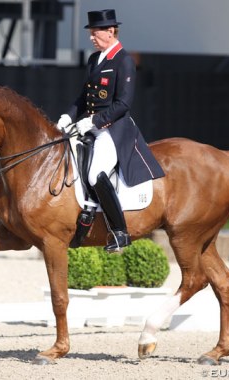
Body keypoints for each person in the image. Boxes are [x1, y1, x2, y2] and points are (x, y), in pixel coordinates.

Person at [57, 9, 165, 252]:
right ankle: (85, 211)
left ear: (110, 31)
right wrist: (68, 116)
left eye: (95, 32)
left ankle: (120, 232)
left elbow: (123, 103)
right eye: (91, 32)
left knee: (96, 173)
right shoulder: (94, 60)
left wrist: (93, 121)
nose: (92, 37)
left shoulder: (124, 60)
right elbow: (84, 96)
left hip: (115, 130)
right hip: (90, 127)